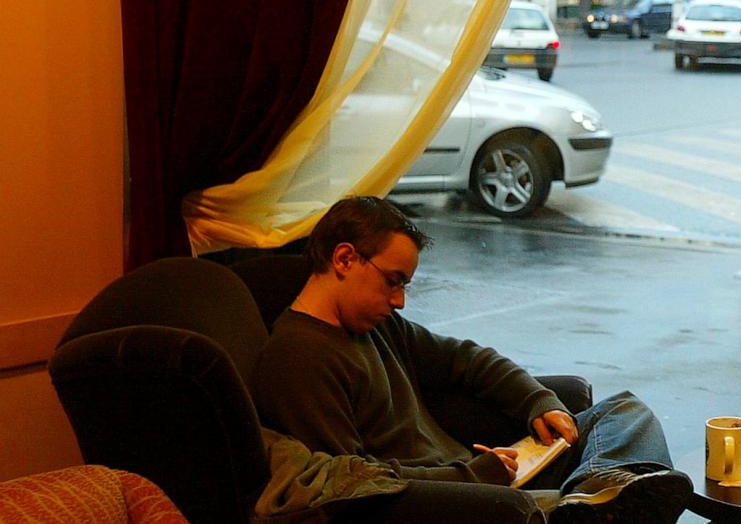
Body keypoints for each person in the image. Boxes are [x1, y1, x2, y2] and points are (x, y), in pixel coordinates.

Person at [251, 196, 691, 524]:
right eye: (393, 281)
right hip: (456, 499)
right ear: (344, 258)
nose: (400, 300)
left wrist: (539, 402)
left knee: (626, 411)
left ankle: (590, 495)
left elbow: (466, 359)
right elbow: (354, 485)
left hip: (486, 475)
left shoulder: (376, 325)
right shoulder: (298, 359)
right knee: (543, 509)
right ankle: (593, 502)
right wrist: (471, 476)